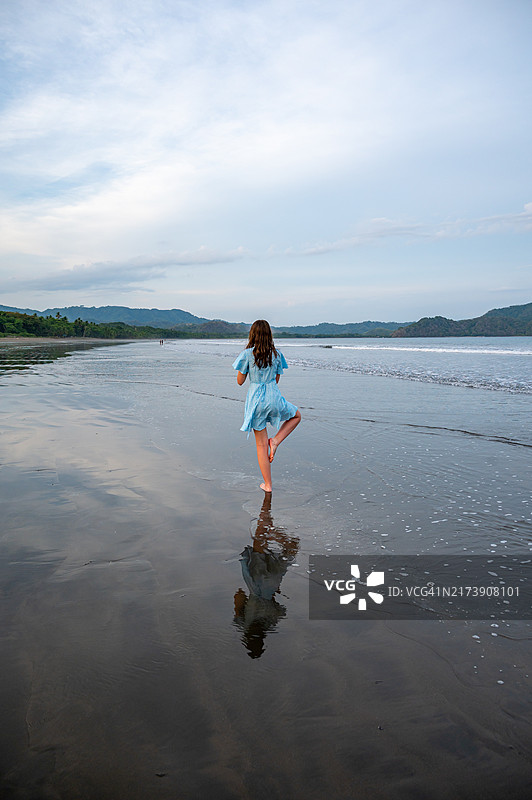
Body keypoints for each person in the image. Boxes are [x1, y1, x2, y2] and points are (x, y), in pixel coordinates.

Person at [233, 319, 301, 492]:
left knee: (261, 445)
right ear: (269, 335)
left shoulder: (248, 354)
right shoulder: (277, 354)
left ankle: (268, 485)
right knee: (296, 416)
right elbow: (276, 380)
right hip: (273, 396)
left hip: (256, 400)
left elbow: (240, 381)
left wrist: (250, 373)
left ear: (252, 335)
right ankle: (277, 440)